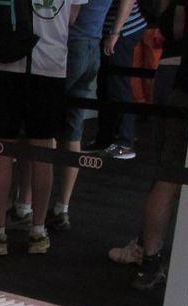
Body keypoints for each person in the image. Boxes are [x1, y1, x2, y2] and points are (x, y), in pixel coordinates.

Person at [0, 0, 85, 256]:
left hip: (6, 61)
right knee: (42, 151)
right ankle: (38, 231)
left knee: (2, 151)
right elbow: (73, 16)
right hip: (51, 65)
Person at [106, 0, 188, 291]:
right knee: (182, 177)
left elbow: (175, 26)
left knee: (167, 174)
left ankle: (149, 256)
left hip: (182, 80)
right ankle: (177, 261)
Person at [50, 0, 130, 230]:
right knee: (73, 131)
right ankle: (62, 207)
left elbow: (70, 16)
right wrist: (115, 33)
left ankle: (29, 205)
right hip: (92, 45)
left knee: (46, 126)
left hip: (70, 45)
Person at [94, 0, 146, 158]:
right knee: (105, 86)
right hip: (111, 30)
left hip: (123, 30)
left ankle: (125, 142)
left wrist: (115, 33)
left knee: (118, 85)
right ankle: (106, 139)